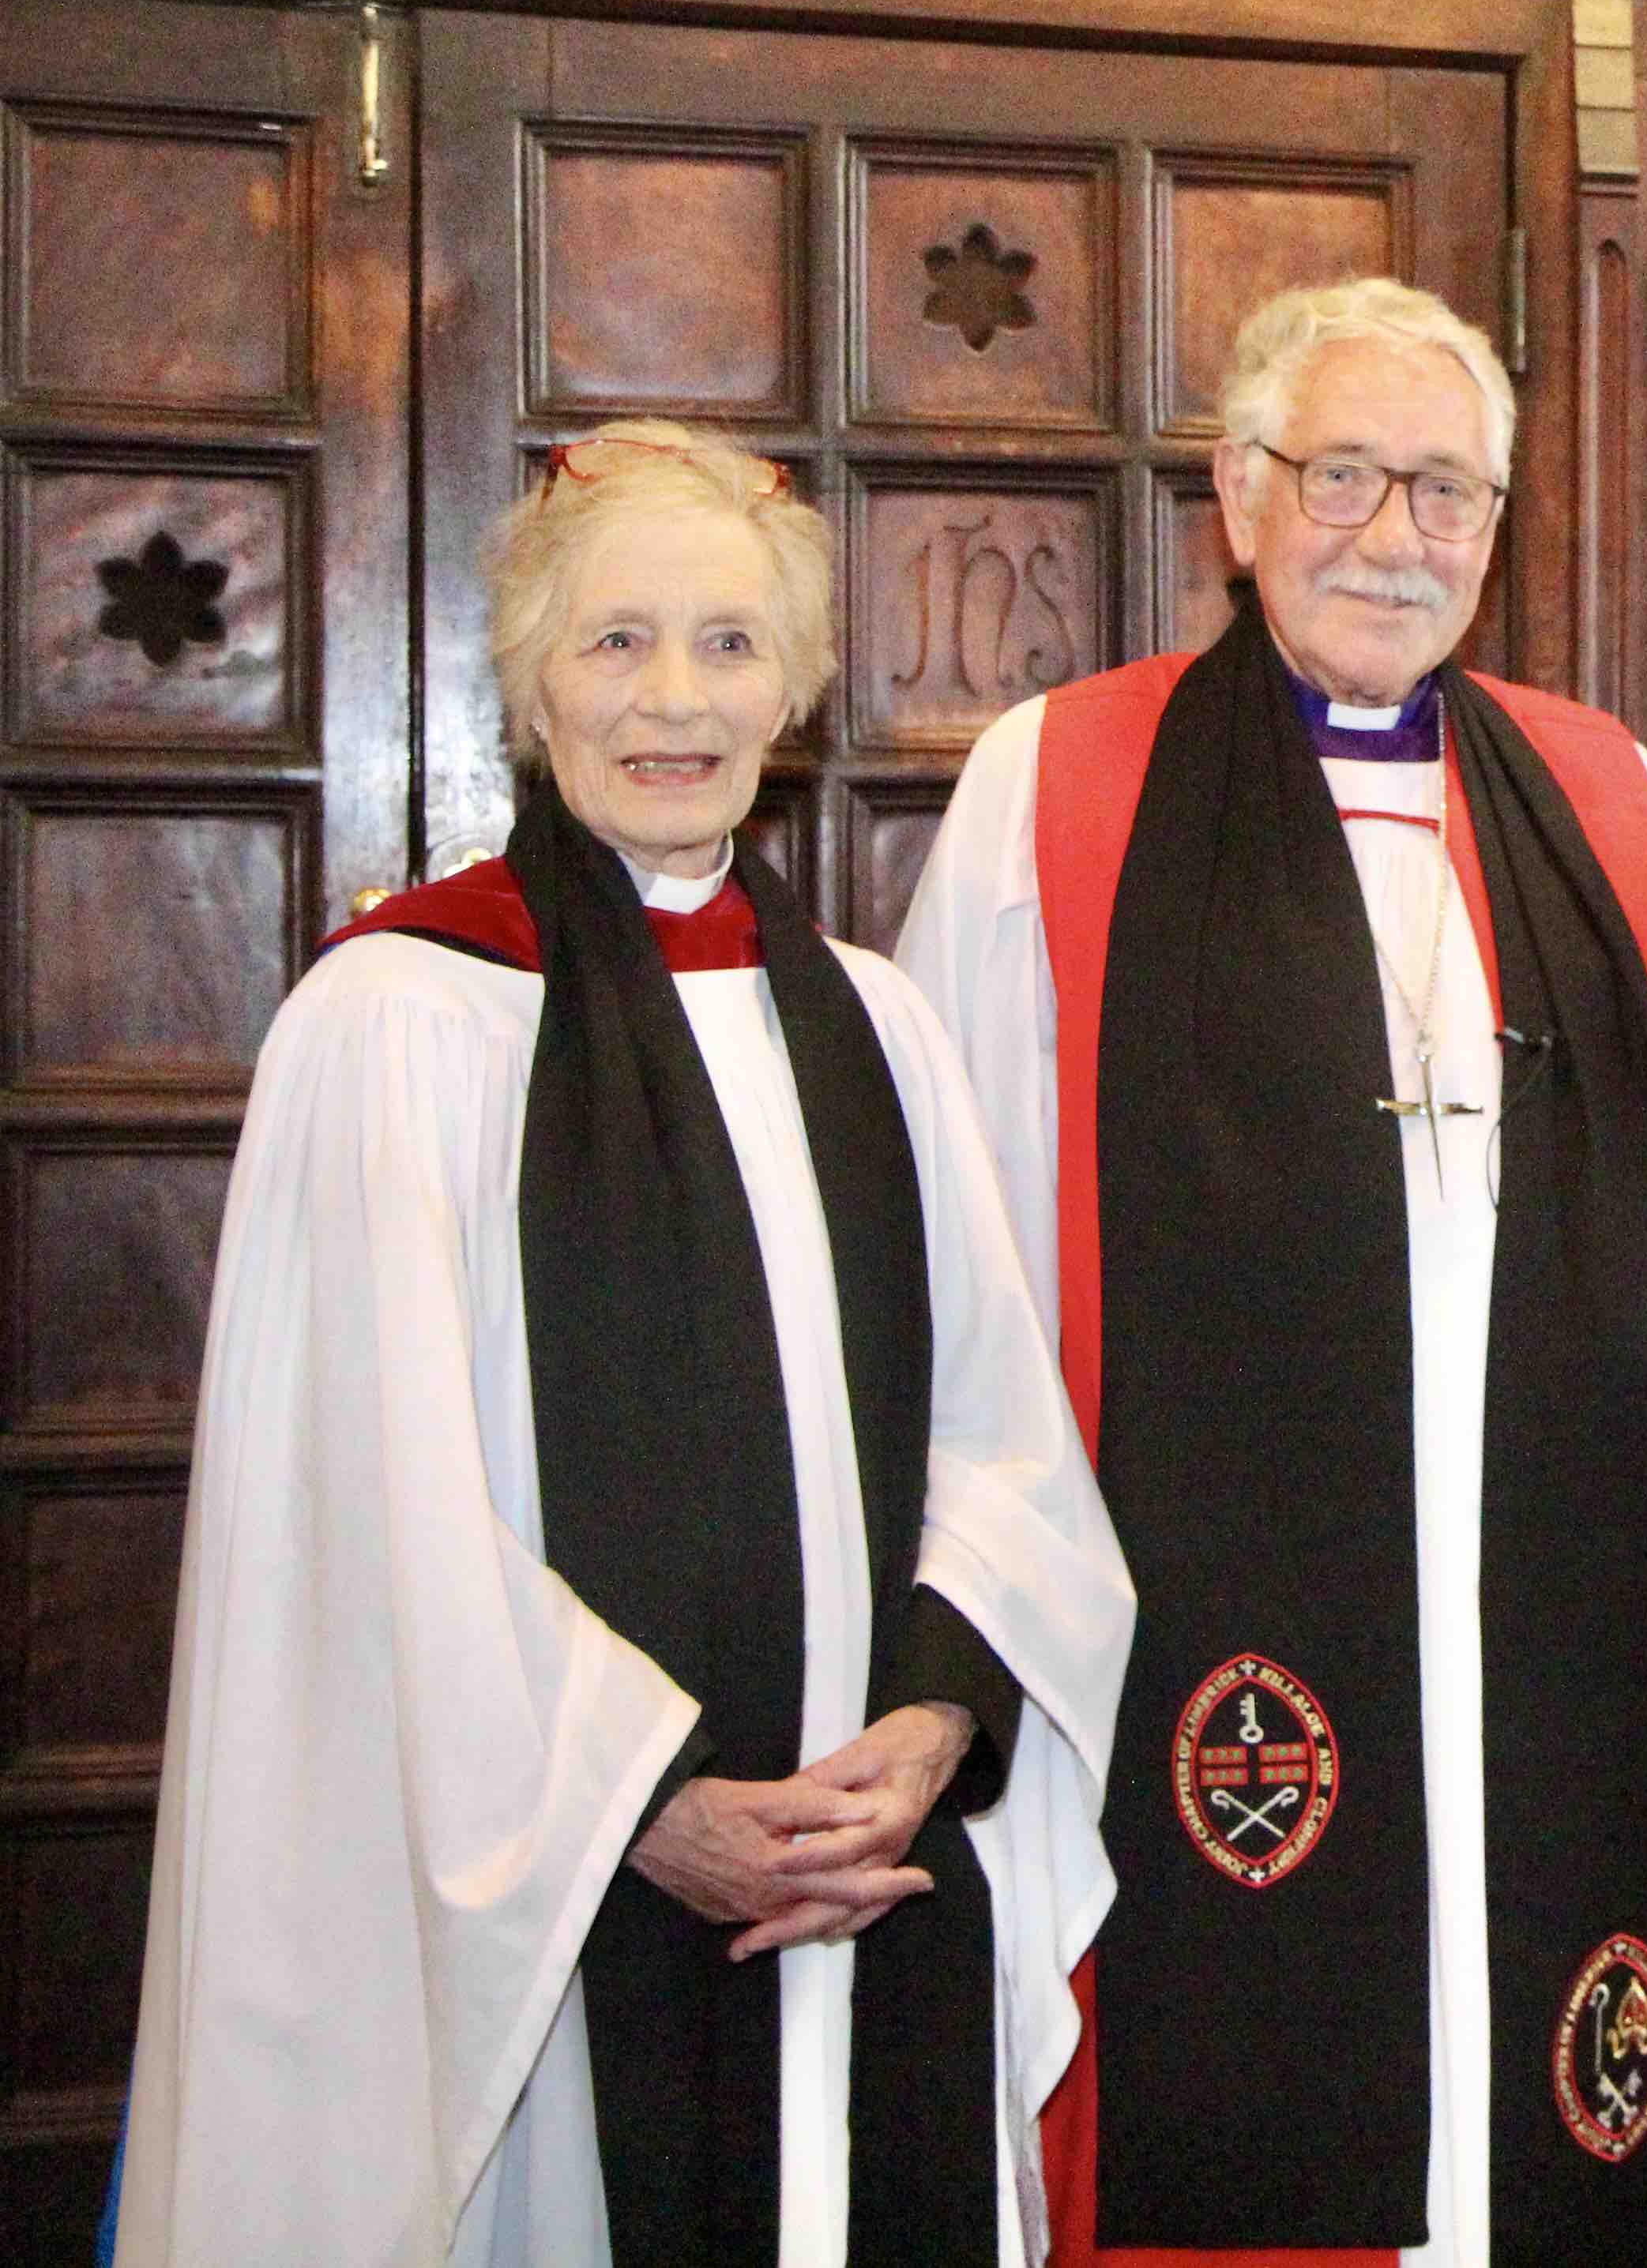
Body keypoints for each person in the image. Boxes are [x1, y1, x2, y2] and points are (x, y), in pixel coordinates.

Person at [118, 419, 1134, 2266]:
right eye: (616, 642)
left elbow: (1005, 1442)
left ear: (800, 693)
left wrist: (930, 1725)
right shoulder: (400, 1026)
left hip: (872, 1880)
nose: (677, 699)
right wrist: (639, 1807)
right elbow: (367, 1528)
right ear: (527, 682)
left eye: (732, 645)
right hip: (559, 1917)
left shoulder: (882, 1035)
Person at [891, 275, 1647, 2268]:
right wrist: (975, 1624)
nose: (1398, 537)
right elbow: (957, 1254)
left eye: (1450, 494)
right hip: (1191, 1604)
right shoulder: (1057, 789)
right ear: (1237, 493)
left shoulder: (1611, 805)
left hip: (1547, 1607)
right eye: (1346, 477)